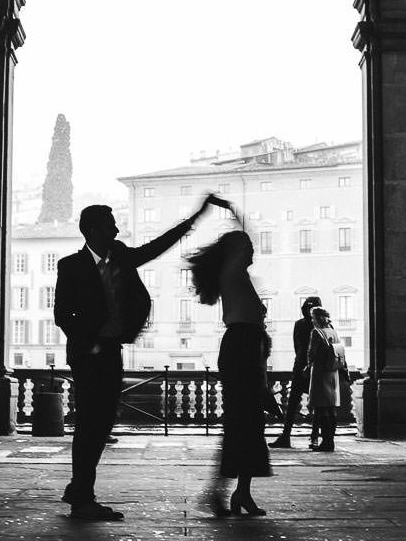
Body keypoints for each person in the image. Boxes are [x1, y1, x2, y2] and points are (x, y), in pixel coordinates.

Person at [54, 194, 217, 521]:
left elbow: (157, 246)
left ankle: (79, 488)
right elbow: (62, 314)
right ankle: (82, 497)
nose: (117, 228)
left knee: (100, 423)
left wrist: (193, 220)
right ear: (93, 230)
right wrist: (93, 341)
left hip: (112, 351)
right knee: (91, 423)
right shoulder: (70, 266)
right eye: (111, 224)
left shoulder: (121, 256)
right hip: (88, 355)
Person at [190, 224, 271, 517]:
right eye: (248, 247)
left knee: (250, 424)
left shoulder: (240, 277)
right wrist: (234, 212)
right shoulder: (232, 274)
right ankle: (219, 493)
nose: (253, 250)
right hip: (242, 350)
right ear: (237, 252)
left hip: (247, 349)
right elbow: (244, 235)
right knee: (241, 423)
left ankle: (241, 492)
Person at [268, 294, 323, 449]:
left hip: (307, 368)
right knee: (297, 403)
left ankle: (301, 437)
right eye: (306, 308)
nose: (308, 311)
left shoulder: (304, 325)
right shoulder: (316, 325)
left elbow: (297, 347)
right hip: (305, 368)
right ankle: (305, 437)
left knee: (305, 404)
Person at [305, 305, 347, 453]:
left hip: (320, 373)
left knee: (322, 408)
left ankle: (326, 441)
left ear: (317, 318)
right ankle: (330, 441)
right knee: (331, 408)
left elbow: (312, 353)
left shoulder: (316, 332)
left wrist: (308, 365)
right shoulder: (333, 332)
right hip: (333, 372)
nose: (312, 320)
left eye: (313, 317)